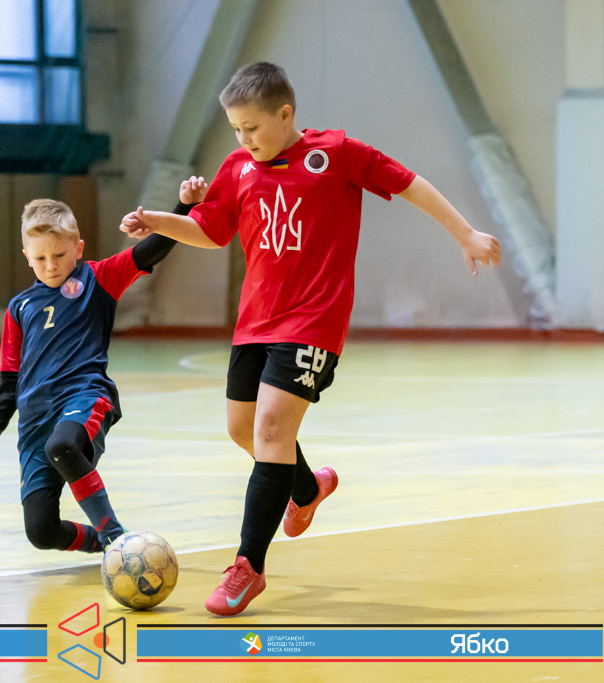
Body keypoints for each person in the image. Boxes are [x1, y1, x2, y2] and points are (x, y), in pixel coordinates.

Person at [120, 62, 501, 615]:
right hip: (255, 322)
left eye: (252, 127)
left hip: (313, 321)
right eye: (236, 129)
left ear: (285, 113)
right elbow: (210, 230)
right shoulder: (237, 168)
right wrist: (160, 220)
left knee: (272, 429)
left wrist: (464, 233)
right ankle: (305, 489)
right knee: (243, 430)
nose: (244, 139)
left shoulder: (335, 153)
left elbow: (408, 183)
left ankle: (248, 568)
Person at [0, 181, 206, 554]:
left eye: (59, 254)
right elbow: (8, 385)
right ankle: (103, 546)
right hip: (34, 422)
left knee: (63, 445)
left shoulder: (97, 278)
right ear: (26, 256)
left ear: (78, 248)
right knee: (41, 532)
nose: (51, 265)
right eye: (40, 258)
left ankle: (116, 539)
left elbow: (152, 248)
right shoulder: (19, 309)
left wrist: (183, 207)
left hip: (82, 398)